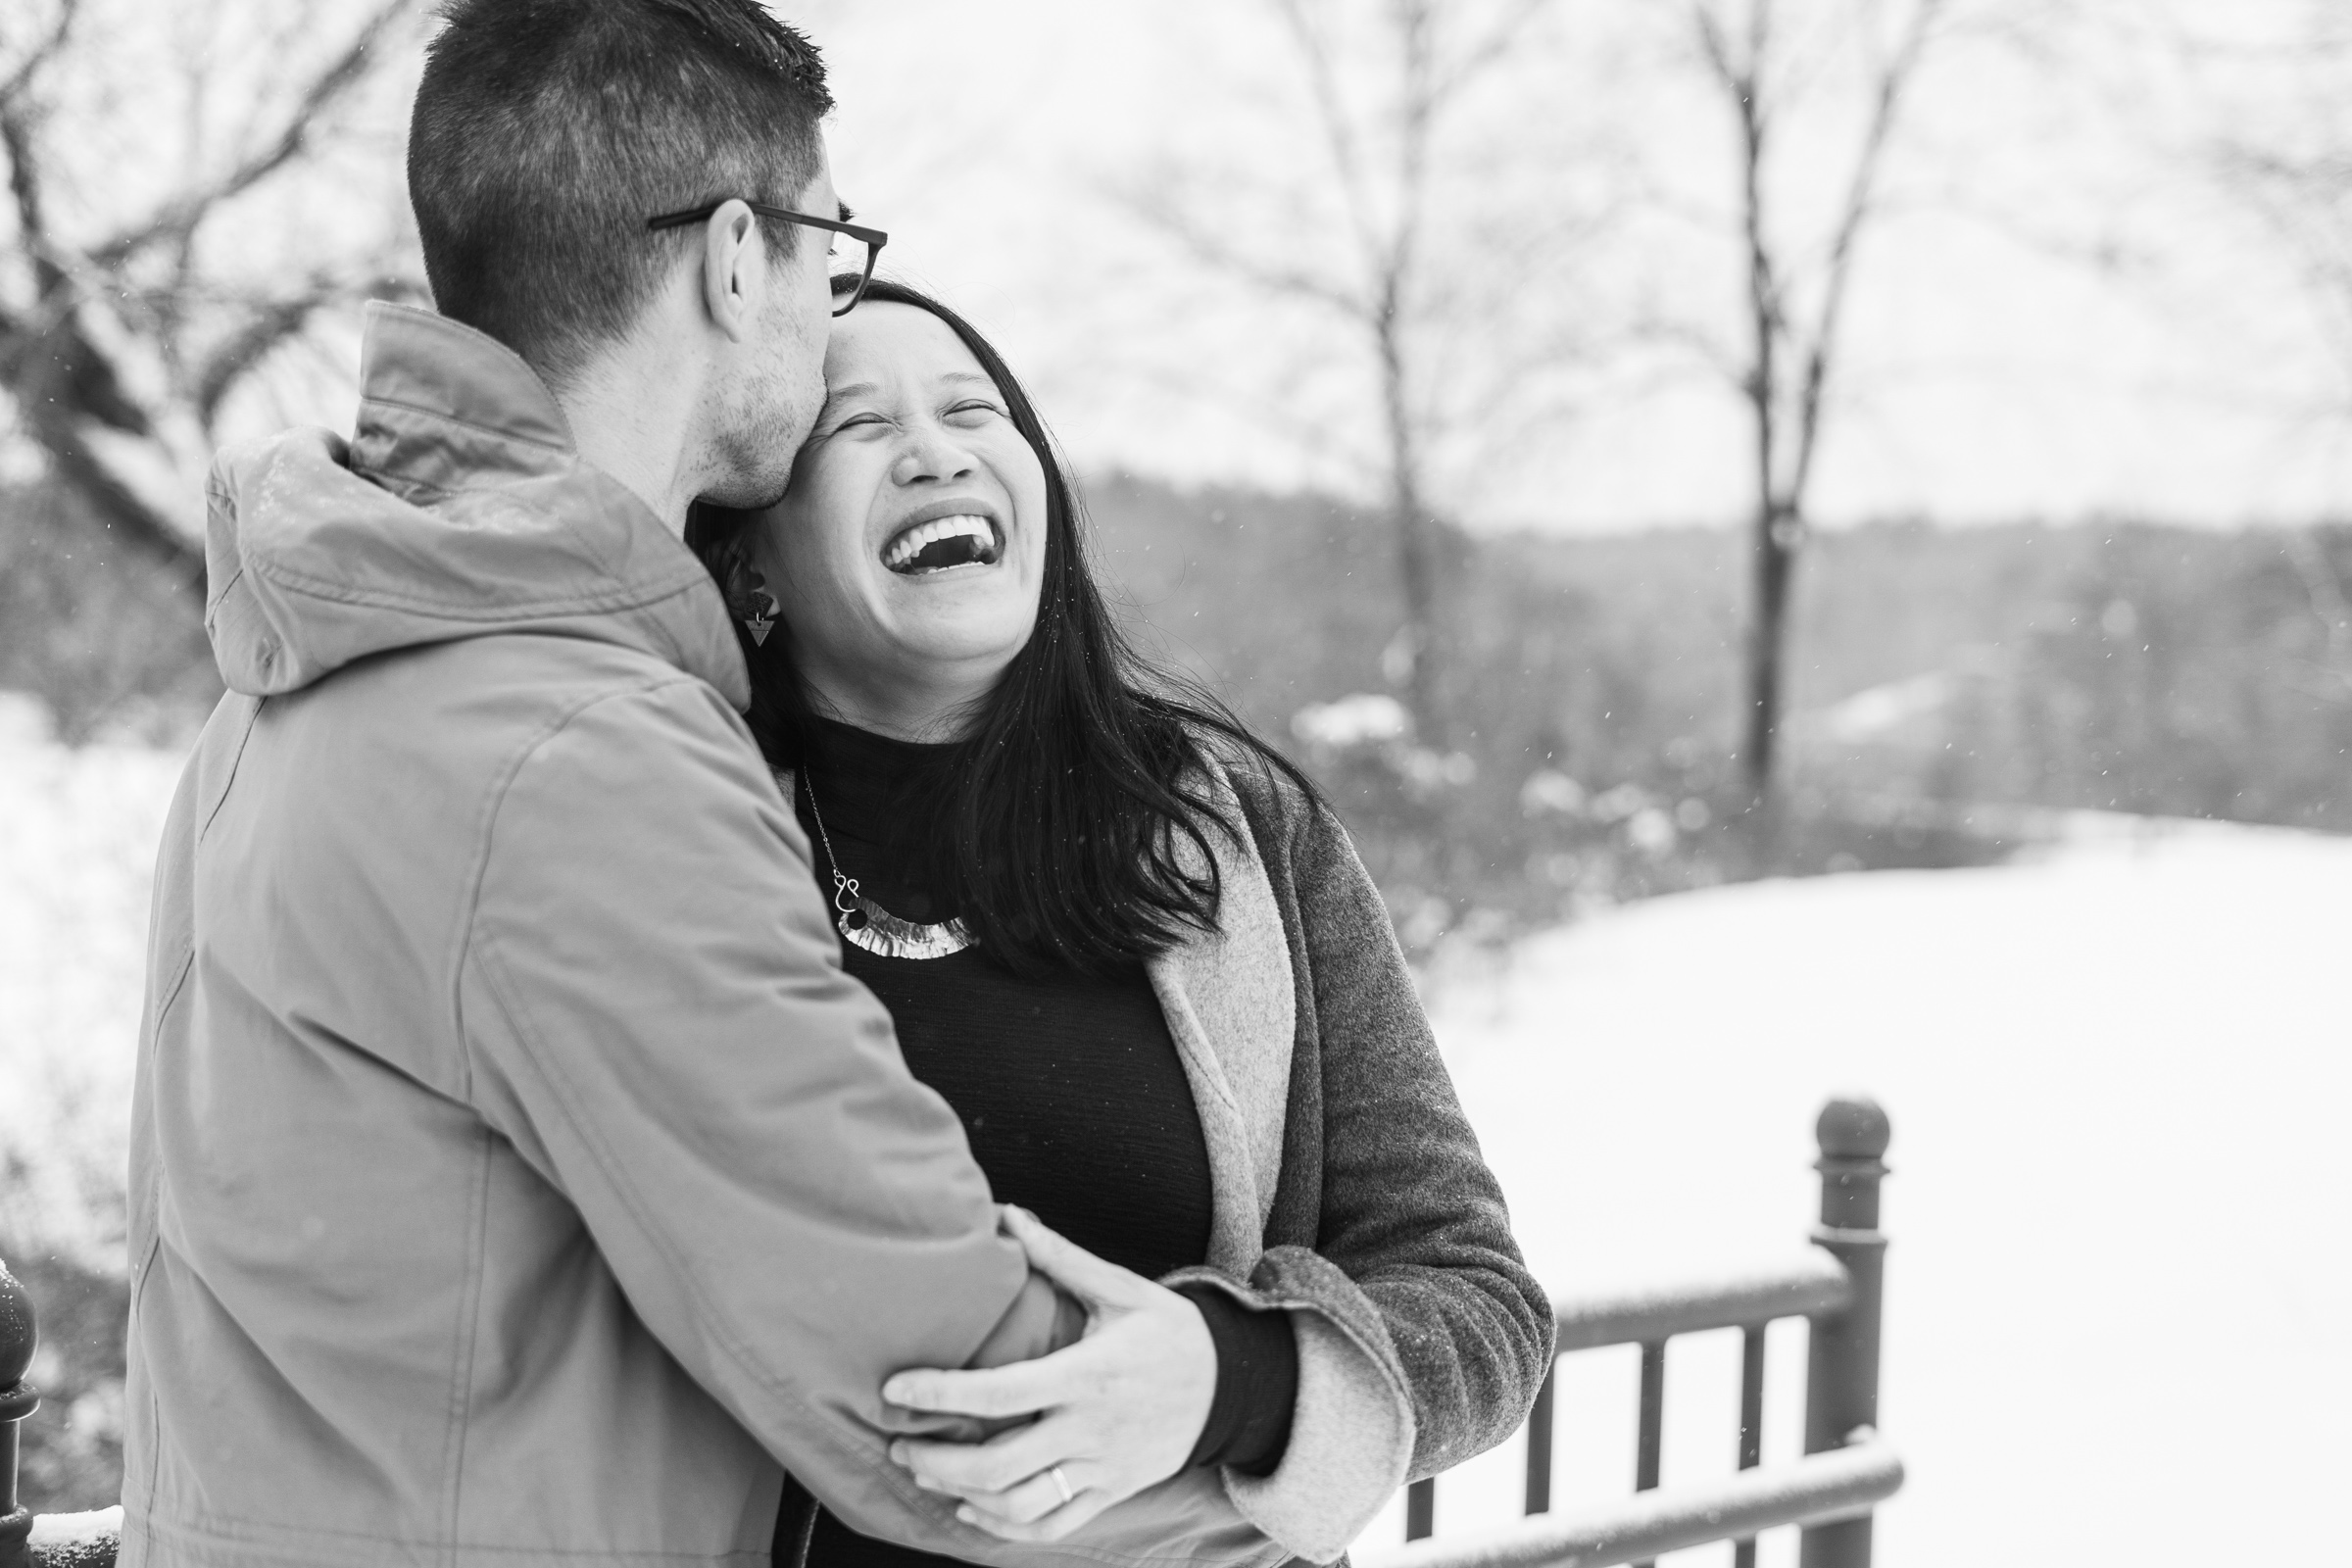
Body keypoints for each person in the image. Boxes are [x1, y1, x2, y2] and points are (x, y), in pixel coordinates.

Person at [123, 5, 1275, 1566]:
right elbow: (946, 1395)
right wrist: (1270, 1410)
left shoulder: (301, 670)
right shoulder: (580, 757)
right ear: (739, 258)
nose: (826, 302)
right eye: (829, 255)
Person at [688, 278, 1555, 1568]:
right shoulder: (681, 842)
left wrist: (1231, 1378)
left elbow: (1477, 1299)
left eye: (979, 410)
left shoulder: (1237, 833)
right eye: (857, 427)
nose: (937, 449)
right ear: (751, 560)